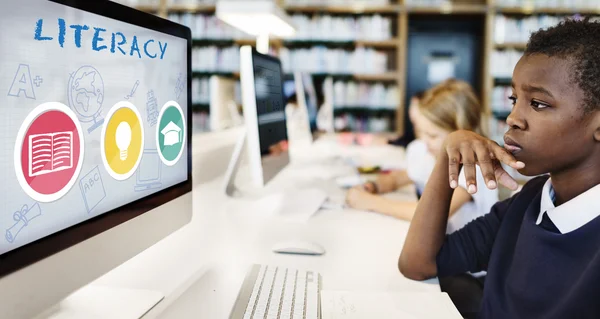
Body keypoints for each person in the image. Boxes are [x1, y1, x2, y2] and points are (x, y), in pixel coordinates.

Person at [399, 18, 600, 319]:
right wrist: (447, 157)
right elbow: (418, 264)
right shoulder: (530, 200)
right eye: (514, 99)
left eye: (539, 104)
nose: (513, 118)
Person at [346, 79, 497, 234]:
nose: (424, 141)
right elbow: (399, 178)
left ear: (461, 133)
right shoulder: (428, 151)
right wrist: (374, 186)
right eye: (421, 131)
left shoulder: (475, 168)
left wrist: (371, 202)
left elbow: (431, 215)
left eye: (432, 135)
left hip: (469, 252)